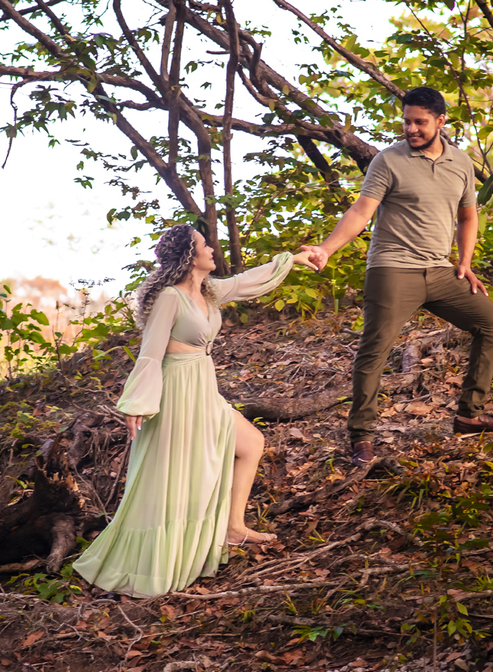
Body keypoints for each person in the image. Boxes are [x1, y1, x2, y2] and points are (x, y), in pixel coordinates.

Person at [73, 224, 318, 598]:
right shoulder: (170, 298)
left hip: (202, 386)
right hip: (177, 391)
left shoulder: (209, 291)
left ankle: (234, 527)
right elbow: (151, 352)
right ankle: (160, 558)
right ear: (190, 255)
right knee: (177, 473)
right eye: (204, 245)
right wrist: (138, 402)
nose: (212, 249)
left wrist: (291, 260)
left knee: (251, 443)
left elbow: (246, 281)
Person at [305, 86, 493, 465]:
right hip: (393, 269)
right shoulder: (388, 161)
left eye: (420, 122)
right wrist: (327, 249)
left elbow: (468, 216)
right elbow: (361, 211)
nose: (411, 129)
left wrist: (465, 262)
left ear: (440, 121)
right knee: (375, 350)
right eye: (407, 121)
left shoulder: (461, 163)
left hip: (441, 271)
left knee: (492, 324)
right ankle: (361, 437)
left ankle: (469, 414)